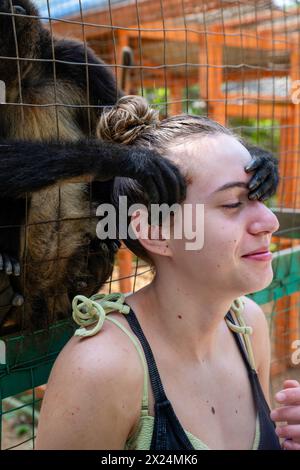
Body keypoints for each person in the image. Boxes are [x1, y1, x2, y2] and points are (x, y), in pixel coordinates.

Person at [36, 96, 294, 450]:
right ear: (156, 233)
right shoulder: (101, 369)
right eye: (233, 203)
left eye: (260, 196)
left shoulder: (247, 325)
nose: (271, 222)